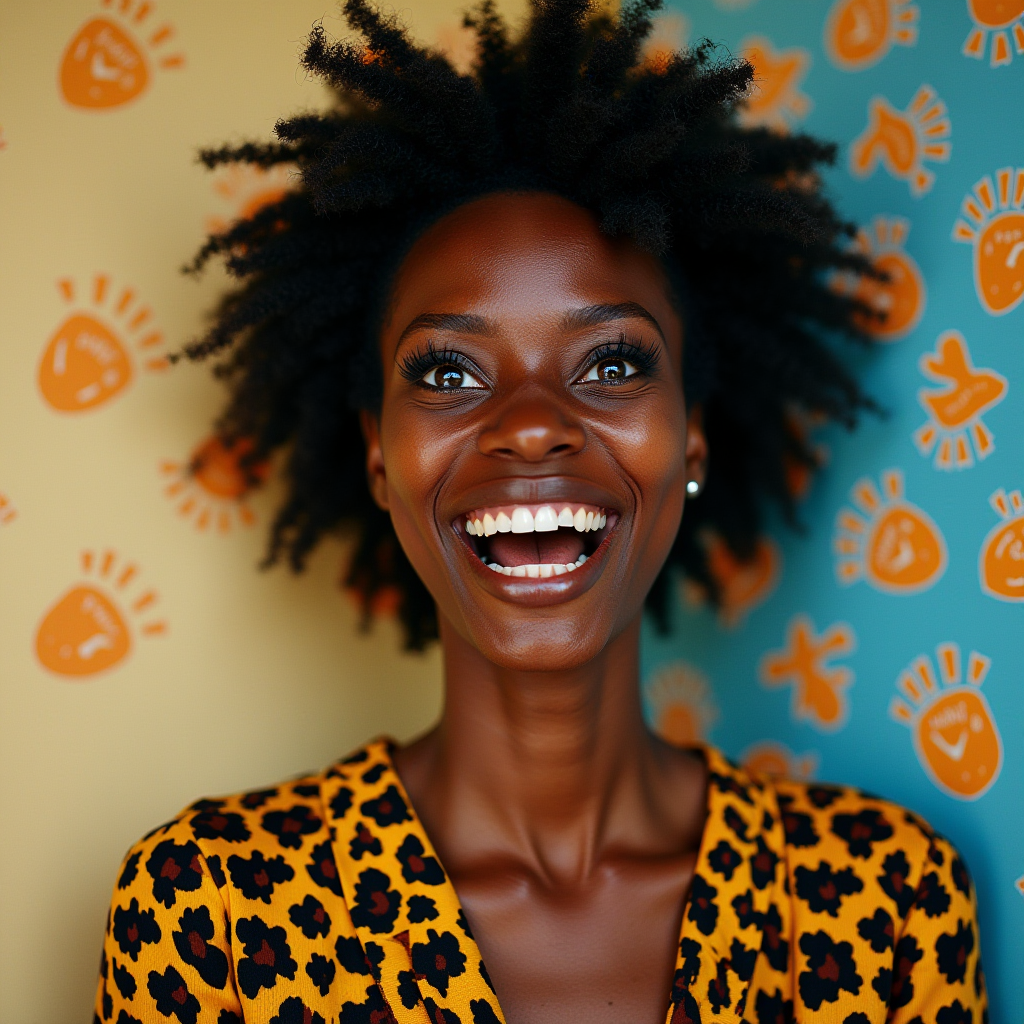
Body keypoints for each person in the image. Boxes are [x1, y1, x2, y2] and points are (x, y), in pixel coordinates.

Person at [94, 1, 986, 1021]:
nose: (528, 426)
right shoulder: (205, 910)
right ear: (379, 455)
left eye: (610, 362)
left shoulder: (888, 896)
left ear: (690, 438)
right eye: (447, 369)